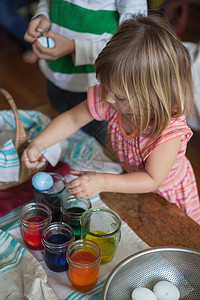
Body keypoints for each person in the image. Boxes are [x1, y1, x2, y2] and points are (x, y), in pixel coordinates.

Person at [22, 14, 200, 224]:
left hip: (168, 199)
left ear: (153, 96)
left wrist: (102, 182)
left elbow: (152, 179)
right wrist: (38, 144)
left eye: (119, 96)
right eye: (104, 85)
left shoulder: (167, 132)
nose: (106, 98)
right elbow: (71, 119)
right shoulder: (114, 97)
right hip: (130, 184)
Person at [23, 0, 147, 145]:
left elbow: (132, 47)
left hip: (93, 85)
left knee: (93, 142)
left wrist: (74, 47)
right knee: (58, 123)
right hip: (54, 74)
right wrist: (42, 16)